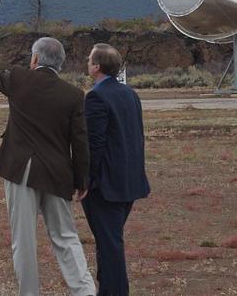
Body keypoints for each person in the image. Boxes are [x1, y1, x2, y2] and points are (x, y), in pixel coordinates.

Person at [0, 37, 96, 296]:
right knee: (66, 237)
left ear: (35, 59)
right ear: (60, 64)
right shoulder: (74, 95)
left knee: (24, 240)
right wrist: (82, 180)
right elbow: (80, 142)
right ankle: (85, 291)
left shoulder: (19, 79)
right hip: (57, 174)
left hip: (21, 170)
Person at [81, 43, 150, 296]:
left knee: (110, 245)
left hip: (106, 185)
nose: (87, 62)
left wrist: (85, 180)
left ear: (96, 67)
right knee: (109, 241)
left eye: (90, 59)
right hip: (129, 181)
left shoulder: (96, 97)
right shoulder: (130, 94)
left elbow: (94, 144)